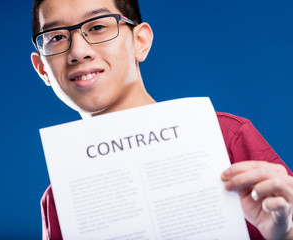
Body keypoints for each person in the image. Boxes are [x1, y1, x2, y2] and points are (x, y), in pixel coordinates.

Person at [30, 0, 293, 239]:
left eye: (98, 26)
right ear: (42, 68)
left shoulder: (225, 137)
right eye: (56, 37)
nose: (78, 51)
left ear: (140, 42)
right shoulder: (59, 199)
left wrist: (285, 233)